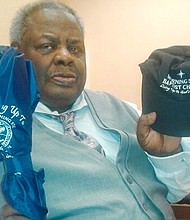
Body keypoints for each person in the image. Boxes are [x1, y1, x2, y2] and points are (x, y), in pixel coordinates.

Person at [0, 0, 189, 219]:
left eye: (74, 48)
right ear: (17, 52)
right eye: (47, 46)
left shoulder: (123, 109)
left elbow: (177, 191)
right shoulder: (8, 135)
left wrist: (165, 156)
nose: (65, 57)